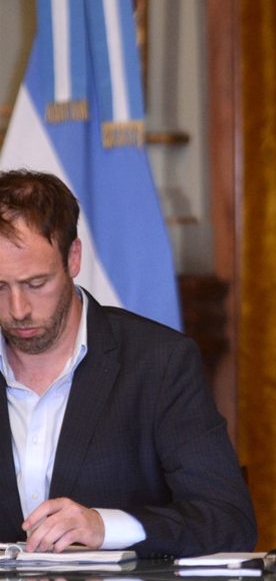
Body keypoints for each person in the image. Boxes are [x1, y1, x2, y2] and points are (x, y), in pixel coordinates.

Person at [0, 169, 257, 558]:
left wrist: (105, 527)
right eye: (0, 287)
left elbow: (228, 521)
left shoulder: (158, 363)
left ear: (73, 258)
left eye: (36, 284)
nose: (18, 310)